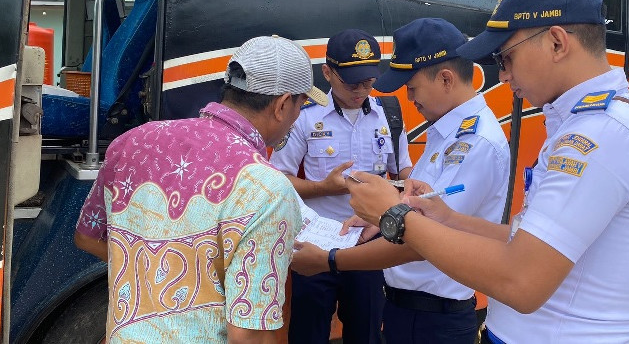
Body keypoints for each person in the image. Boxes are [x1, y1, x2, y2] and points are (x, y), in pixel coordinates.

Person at [345, 0, 629, 343]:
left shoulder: (600, 135)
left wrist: (396, 216)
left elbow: (521, 280)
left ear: (556, 42)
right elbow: (525, 241)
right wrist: (447, 217)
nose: (503, 76)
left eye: (505, 57)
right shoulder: (586, 126)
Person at [74, 35, 328, 343]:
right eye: (301, 105)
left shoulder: (133, 142)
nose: (297, 117)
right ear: (283, 104)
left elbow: (87, 236)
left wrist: (153, 280)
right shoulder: (268, 189)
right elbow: (249, 335)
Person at [291, 18, 509, 344]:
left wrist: (330, 260)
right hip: (407, 309)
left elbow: (421, 242)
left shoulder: (475, 143)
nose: (410, 98)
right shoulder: (444, 132)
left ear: (446, 79)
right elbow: (422, 208)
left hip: (434, 318)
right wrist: (380, 219)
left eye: (412, 87)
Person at [269, 29, 412, 344]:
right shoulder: (304, 117)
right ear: (327, 73)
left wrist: (395, 198)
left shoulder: (389, 114)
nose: (361, 90)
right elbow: (278, 181)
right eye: (351, 82)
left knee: (367, 333)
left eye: (368, 81)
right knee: (309, 333)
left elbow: (404, 176)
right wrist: (323, 188)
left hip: (368, 244)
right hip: (316, 243)